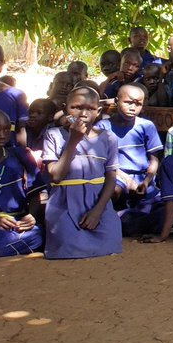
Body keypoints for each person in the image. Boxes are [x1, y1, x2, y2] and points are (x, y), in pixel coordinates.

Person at [42, 87, 122, 259]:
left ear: (98, 111)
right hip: (65, 203)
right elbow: (55, 176)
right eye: (77, 107)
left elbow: (111, 177)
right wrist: (73, 141)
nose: (83, 113)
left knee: (111, 243)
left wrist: (98, 211)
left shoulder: (108, 138)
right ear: (65, 108)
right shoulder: (54, 135)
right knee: (67, 247)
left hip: (98, 202)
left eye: (91, 109)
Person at [97, 83, 165, 236]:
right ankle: (115, 220)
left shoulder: (146, 126)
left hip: (142, 177)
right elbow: (103, 160)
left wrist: (146, 182)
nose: (133, 107)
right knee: (113, 191)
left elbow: (154, 160)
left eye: (138, 104)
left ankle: (124, 221)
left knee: (164, 206)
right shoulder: (104, 126)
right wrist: (127, 180)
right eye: (128, 102)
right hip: (115, 175)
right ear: (116, 101)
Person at [0, 109, 44, 257]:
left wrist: (31, 215)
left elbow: (35, 194)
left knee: (39, 233)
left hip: (18, 223)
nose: (2, 135)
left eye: (7, 129)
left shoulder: (20, 155)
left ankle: (5, 248)